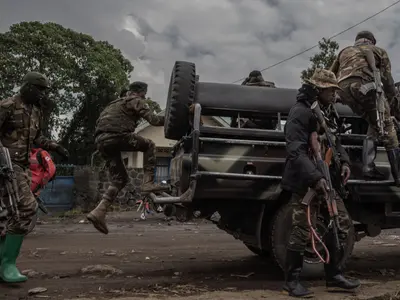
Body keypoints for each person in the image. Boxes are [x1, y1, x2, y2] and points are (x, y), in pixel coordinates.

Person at [281, 68, 360, 297]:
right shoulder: (300, 112)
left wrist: (344, 162)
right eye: (331, 90)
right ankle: (291, 281)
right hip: (306, 182)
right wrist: (315, 178)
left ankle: (334, 276)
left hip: (328, 179)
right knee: (301, 229)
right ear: (320, 89)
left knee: (340, 223)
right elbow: (295, 151)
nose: (335, 94)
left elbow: (336, 141)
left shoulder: (327, 112)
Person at [0, 72, 69, 283]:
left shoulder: (35, 111)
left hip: (21, 166)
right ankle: (8, 264)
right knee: (27, 208)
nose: (41, 94)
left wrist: (54, 146)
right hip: (6, 165)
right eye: (39, 89)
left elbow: (36, 137)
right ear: (28, 87)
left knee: (9, 215)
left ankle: (4, 264)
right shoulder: (8, 105)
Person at [86, 81, 166, 235]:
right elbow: (155, 120)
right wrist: (174, 117)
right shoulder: (136, 100)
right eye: (145, 93)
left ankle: (99, 212)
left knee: (119, 179)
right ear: (142, 92)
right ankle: (147, 183)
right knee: (149, 145)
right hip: (118, 136)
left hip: (101, 142)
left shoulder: (114, 103)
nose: (145, 96)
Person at [330, 30, 400, 185]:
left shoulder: (344, 51)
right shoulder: (378, 51)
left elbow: (330, 73)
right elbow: (387, 80)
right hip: (364, 86)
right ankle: (398, 176)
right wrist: (392, 101)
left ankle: (369, 168)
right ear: (371, 41)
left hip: (343, 91)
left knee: (373, 121)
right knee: (387, 127)